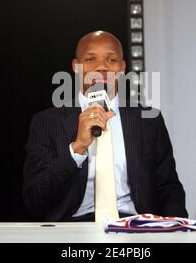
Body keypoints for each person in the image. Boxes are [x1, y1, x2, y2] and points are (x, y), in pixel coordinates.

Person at [23, 30, 187, 221]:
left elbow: (169, 188)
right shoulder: (47, 122)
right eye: (91, 59)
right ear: (76, 66)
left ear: (122, 67)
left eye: (111, 60)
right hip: (72, 227)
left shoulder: (149, 120)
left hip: (136, 225)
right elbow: (34, 198)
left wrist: (176, 229)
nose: (101, 67)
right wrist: (77, 148)